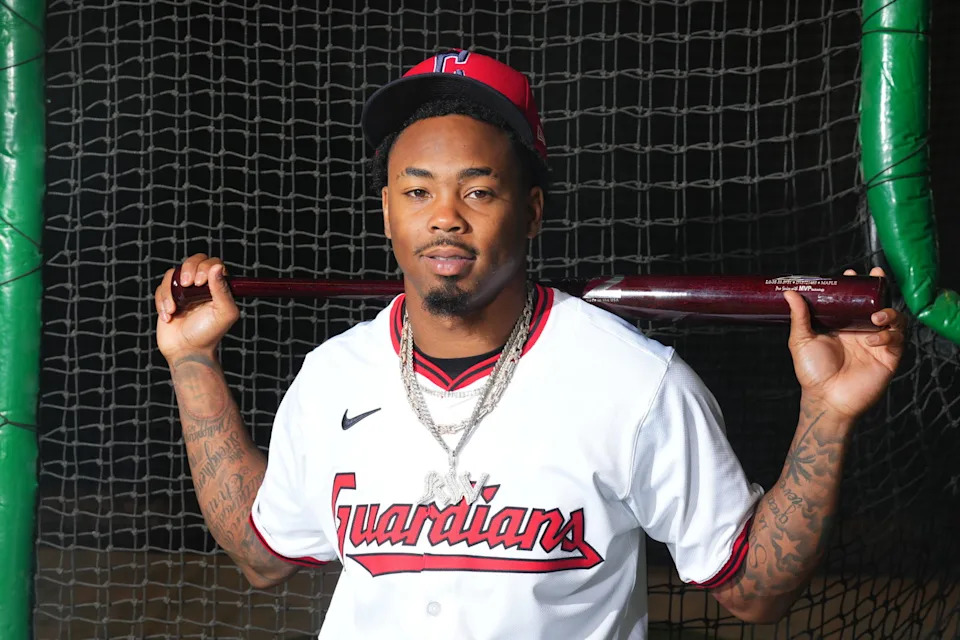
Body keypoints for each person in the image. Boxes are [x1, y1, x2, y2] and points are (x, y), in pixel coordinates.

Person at [154, 50, 906, 639]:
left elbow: (753, 593)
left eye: (478, 190)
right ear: (387, 212)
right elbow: (262, 555)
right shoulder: (332, 377)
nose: (444, 217)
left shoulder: (635, 382)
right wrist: (192, 363)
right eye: (417, 191)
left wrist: (827, 414)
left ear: (532, 210)